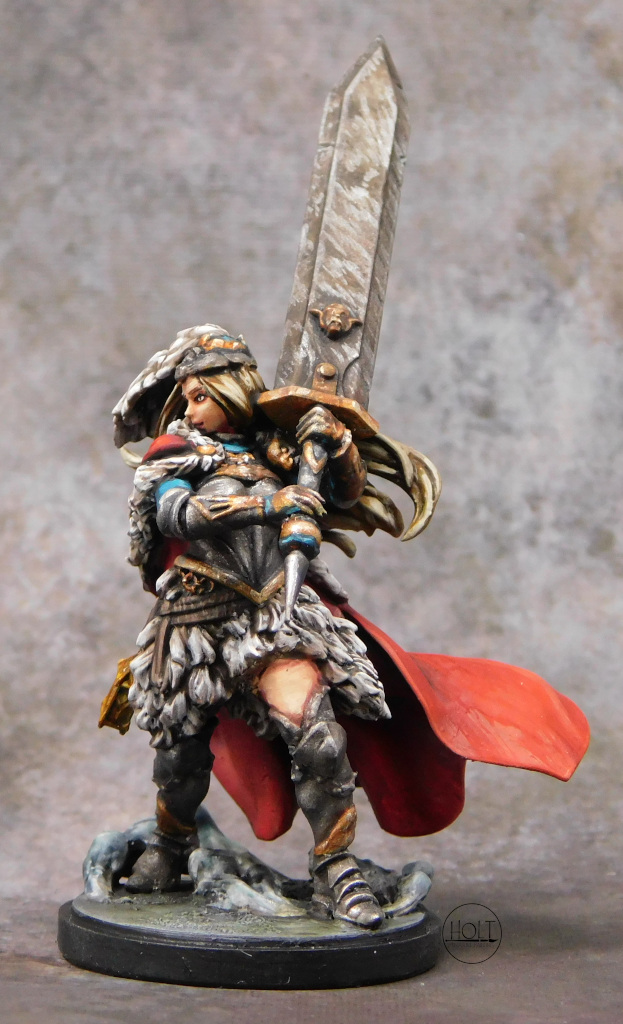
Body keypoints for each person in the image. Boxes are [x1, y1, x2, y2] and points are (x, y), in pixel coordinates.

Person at [107, 323, 589, 930]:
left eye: (201, 396)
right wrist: (269, 504)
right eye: (187, 398)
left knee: (318, 737)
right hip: (196, 624)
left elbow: (341, 493)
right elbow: (176, 512)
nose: (191, 409)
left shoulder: (276, 448)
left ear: (233, 389)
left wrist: (336, 446)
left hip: (274, 617)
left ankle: (335, 867)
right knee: (181, 757)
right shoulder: (176, 449)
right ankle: (170, 846)